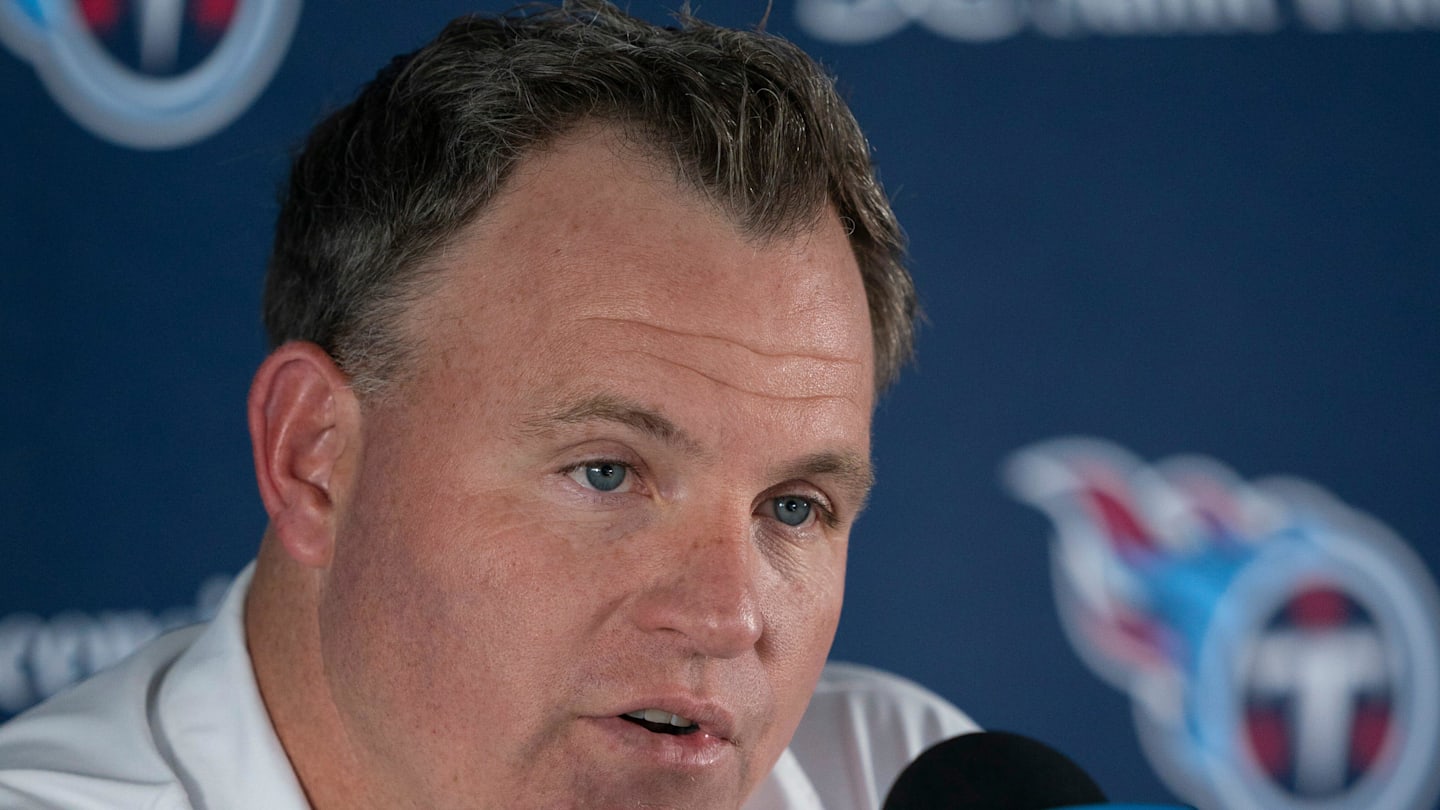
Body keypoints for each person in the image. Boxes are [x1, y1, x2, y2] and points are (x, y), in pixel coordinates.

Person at [0, 2, 975, 807]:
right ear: (314, 458)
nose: (726, 617)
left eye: (793, 507)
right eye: (607, 472)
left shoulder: (897, 777)